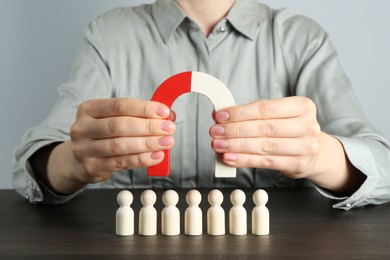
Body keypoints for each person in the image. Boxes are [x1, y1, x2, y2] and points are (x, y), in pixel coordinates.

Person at [12, 0, 390, 210]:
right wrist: (70, 162)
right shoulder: (108, 34)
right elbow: (31, 168)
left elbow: (382, 164)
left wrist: (321, 156)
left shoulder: (300, 38)